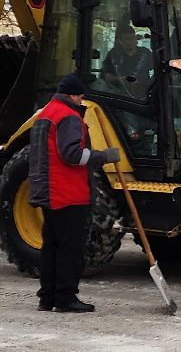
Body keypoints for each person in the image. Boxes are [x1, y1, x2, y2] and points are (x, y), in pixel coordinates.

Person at [29, 74, 120, 313]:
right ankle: (65, 298)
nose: (82, 101)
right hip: (67, 193)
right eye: (80, 97)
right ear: (71, 95)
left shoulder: (46, 113)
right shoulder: (68, 116)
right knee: (70, 249)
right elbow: (72, 155)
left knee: (52, 246)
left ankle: (47, 297)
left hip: (49, 192)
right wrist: (104, 156)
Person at [94, 24, 154, 99]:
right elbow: (107, 77)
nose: (131, 41)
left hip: (144, 95)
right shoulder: (114, 55)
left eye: (133, 37)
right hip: (121, 97)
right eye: (127, 39)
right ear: (120, 41)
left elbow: (157, 69)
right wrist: (122, 79)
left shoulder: (145, 53)